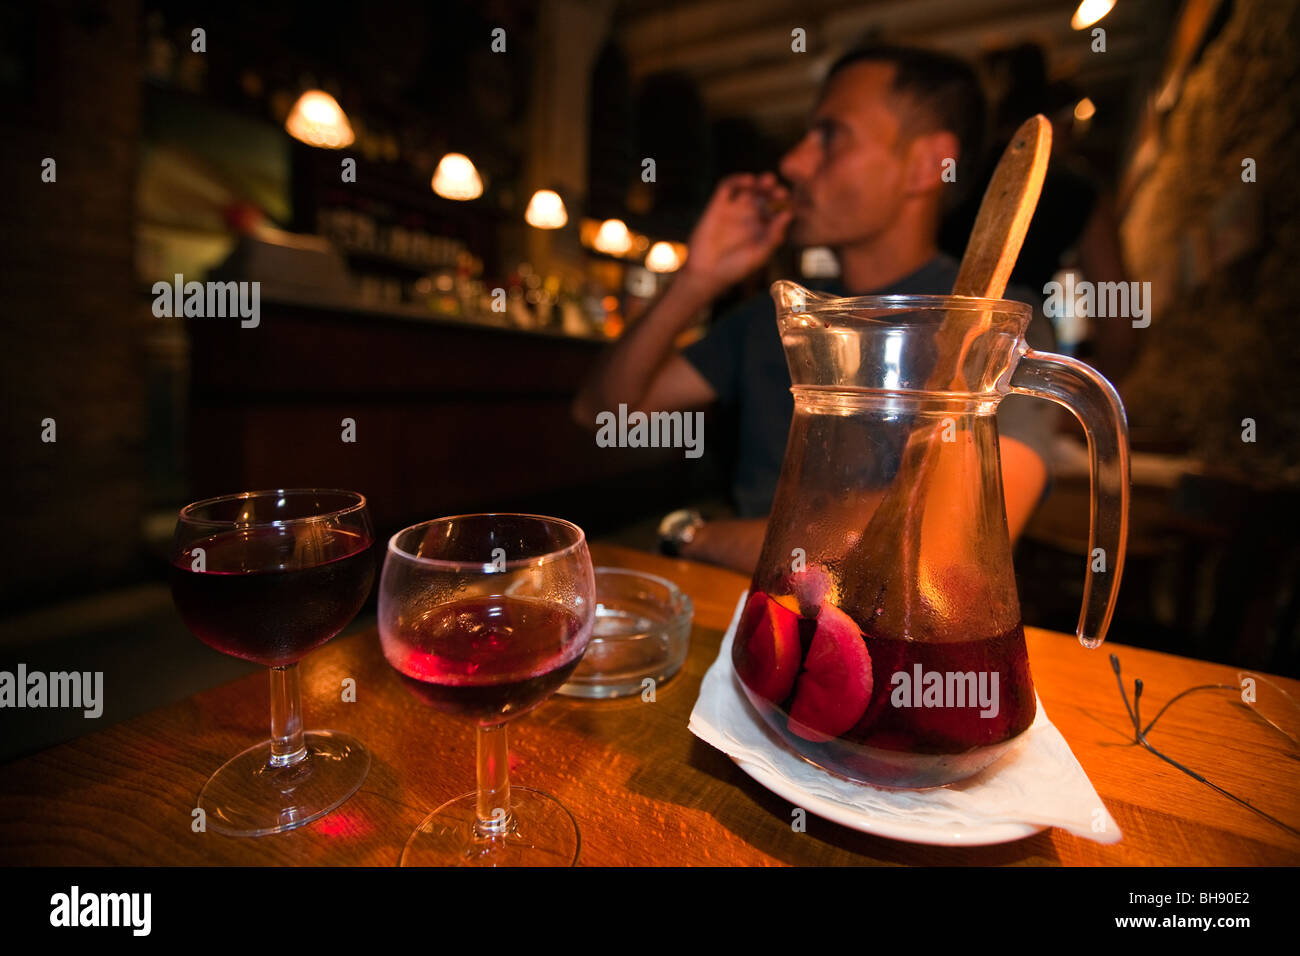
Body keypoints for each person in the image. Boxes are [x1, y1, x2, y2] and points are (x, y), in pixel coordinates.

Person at [573, 43, 1057, 574]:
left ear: (926, 165)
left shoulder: (996, 321)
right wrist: (696, 279)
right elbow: (603, 416)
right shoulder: (777, 313)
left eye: (830, 136)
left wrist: (694, 536)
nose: (793, 163)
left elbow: (946, 548)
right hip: (747, 620)